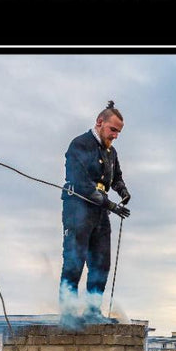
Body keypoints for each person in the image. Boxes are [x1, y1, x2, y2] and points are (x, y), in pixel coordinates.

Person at [58, 101, 132, 328]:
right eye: (113, 130)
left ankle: (92, 311)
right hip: (78, 208)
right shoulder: (80, 144)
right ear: (100, 123)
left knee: (101, 262)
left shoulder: (111, 152)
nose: (116, 135)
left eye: (119, 132)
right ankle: (69, 313)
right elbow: (81, 182)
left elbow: (115, 177)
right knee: (74, 260)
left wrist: (122, 190)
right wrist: (110, 205)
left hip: (100, 211)